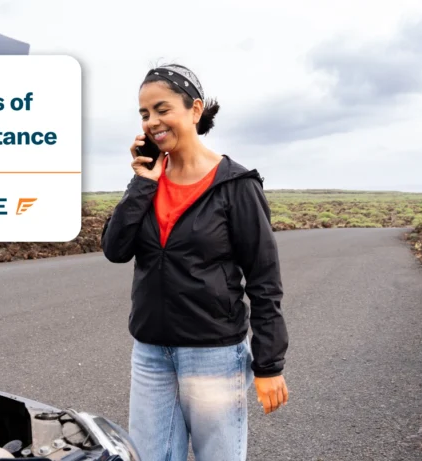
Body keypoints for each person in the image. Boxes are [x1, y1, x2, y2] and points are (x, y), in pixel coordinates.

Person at [100, 63, 289, 461]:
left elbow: (263, 280)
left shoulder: (236, 186)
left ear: (195, 109)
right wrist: (141, 182)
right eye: (144, 113)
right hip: (151, 352)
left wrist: (268, 365)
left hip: (213, 355)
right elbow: (115, 249)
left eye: (162, 109)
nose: (152, 121)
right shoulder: (149, 180)